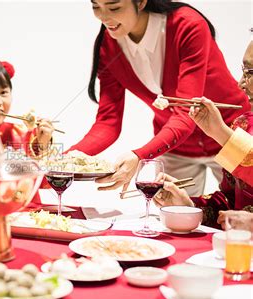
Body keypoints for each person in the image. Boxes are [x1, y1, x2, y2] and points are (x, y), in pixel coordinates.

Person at [69, 0, 250, 196]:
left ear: (141, 2)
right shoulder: (108, 46)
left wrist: (139, 156)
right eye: (96, 6)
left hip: (230, 135)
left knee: (239, 216)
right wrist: (64, 161)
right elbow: (108, 122)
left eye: (114, 7)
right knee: (175, 219)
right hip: (176, 146)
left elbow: (186, 113)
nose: (103, 17)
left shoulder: (187, 25)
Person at [154, 39, 253, 229]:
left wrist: (222, 134)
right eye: (243, 71)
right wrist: (188, 206)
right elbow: (229, 202)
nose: (241, 84)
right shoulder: (245, 124)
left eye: (250, 73)